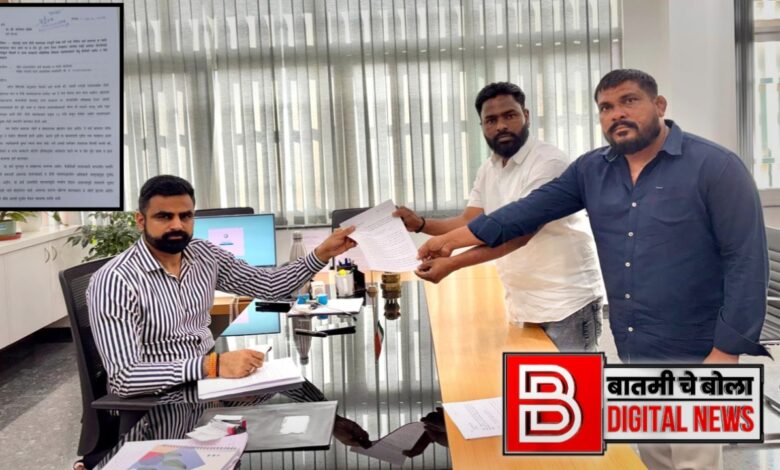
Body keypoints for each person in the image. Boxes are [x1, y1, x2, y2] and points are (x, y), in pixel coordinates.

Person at [418, 69, 769, 470]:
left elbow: (747, 263)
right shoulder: (593, 170)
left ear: (659, 105)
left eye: (629, 101)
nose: (617, 114)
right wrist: (452, 239)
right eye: (606, 107)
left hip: (697, 348)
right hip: (634, 342)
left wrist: (727, 350)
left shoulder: (715, 167)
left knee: (694, 462)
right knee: (653, 459)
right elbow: (526, 212)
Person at [87, 174, 358, 397]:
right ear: (140, 220)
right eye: (164, 217)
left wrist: (322, 253)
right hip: (163, 398)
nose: (177, 225)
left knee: (298, 400)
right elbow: (124, 378)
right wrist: (212, 365)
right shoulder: (115, 281)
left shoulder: (203, 254)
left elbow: (270, 285)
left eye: (185, 216)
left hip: (209, 384)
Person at [394, 82, 605, 352]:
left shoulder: (548, 162)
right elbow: (469, 221)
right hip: (523, 300)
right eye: (491, 120)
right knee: (531, 379)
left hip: (565, 302)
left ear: (526, 116)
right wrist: (421, 224)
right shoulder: (489, 168)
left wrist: (452, 262)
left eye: (510, 115)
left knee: (573, 380)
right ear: (482, 126)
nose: (501, 126)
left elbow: (519, 234)